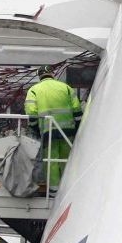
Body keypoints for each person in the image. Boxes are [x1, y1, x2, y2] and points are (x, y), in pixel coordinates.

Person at [24, 63, 82, 192]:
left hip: (48, 131)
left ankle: (54, 190)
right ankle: (68, 188)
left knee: (51, 160)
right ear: (53, 74)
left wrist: (35, 129)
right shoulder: (66, 88)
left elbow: (31, 112)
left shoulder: (34, 90)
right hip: (68, 130)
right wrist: (78, 127)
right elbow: (77, 109)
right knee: (67, 159)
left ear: (39, 76)